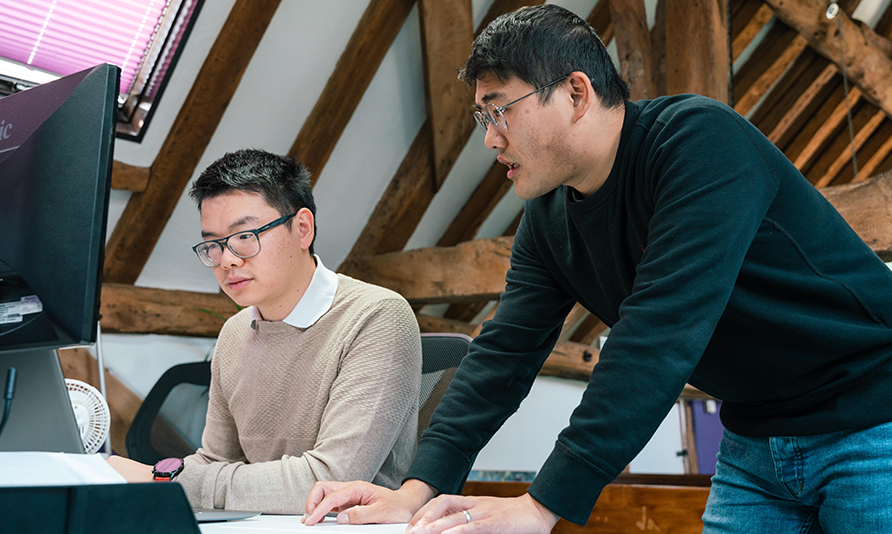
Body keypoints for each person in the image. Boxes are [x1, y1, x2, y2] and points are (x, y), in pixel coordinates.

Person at [301, 5, 892, 533]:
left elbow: (657, 335)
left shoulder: (700, 142)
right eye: (484, 119)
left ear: (577, 93)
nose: (490, 140)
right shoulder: (547, 220)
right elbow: (504, 354)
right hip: (754, 435)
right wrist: (417, 490)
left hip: (871, 415)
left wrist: (541, 506)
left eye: (499, 110)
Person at [107, 149, 422, 514]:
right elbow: (215, 460)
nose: (227, 259)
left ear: (302, 229)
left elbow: (329, 481)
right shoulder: (234, 333)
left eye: (244, 236)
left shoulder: (376, 316)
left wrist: (164, 479)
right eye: (213, 244)